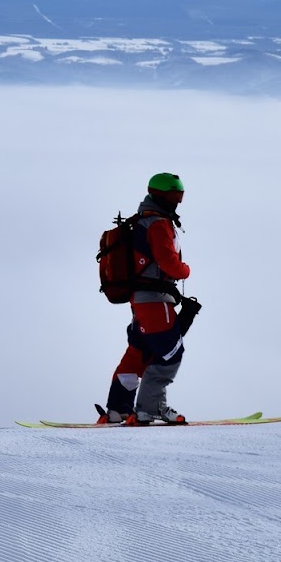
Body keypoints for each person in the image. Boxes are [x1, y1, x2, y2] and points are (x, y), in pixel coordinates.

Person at [98, 172, 202, 424]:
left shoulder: (142, 221)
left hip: (140, 299)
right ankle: (150, 408)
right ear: (163, 195)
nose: (178, 200)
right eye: (175, 195)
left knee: (140, 352)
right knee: (169, 352)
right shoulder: (158, 224)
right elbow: (169, 263)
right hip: (155, 299)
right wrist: (185, 269)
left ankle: (118, 410)